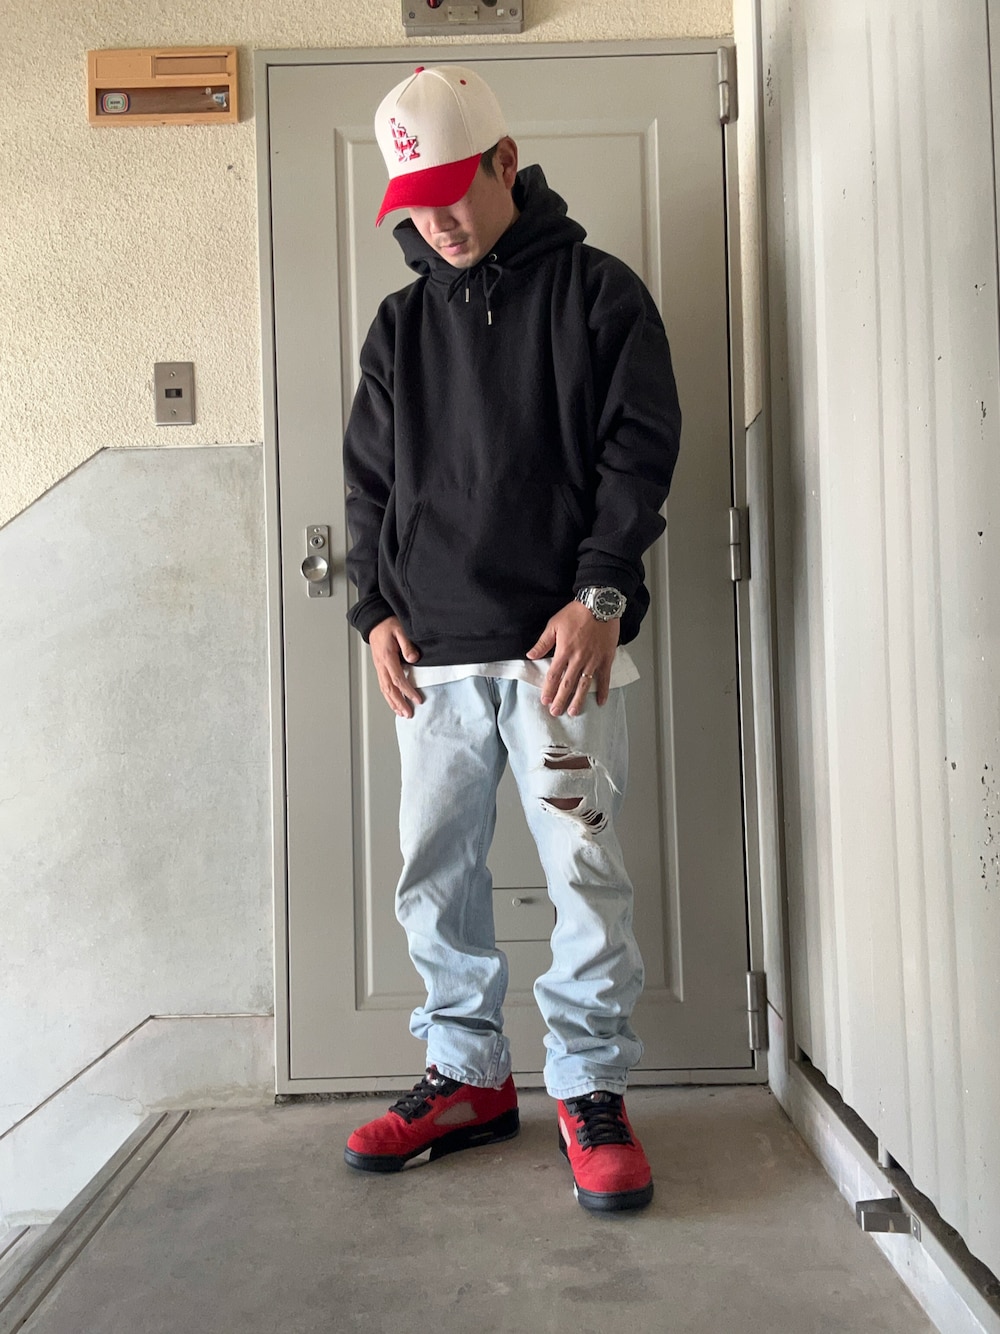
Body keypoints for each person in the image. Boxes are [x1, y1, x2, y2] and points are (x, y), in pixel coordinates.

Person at [341, 64, 680, 1213]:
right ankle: (468, 1076)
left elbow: (637, 452)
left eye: (452, 191)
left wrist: (601, 592)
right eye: (414, 204)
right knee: (434, 873)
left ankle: (589, 1088)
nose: (436, 221)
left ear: (503, 162)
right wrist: (372, 611)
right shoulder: (399, 327)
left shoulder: (598, 294)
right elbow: (369, 484)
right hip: (431, 660)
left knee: (582, 868)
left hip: (559, 654)